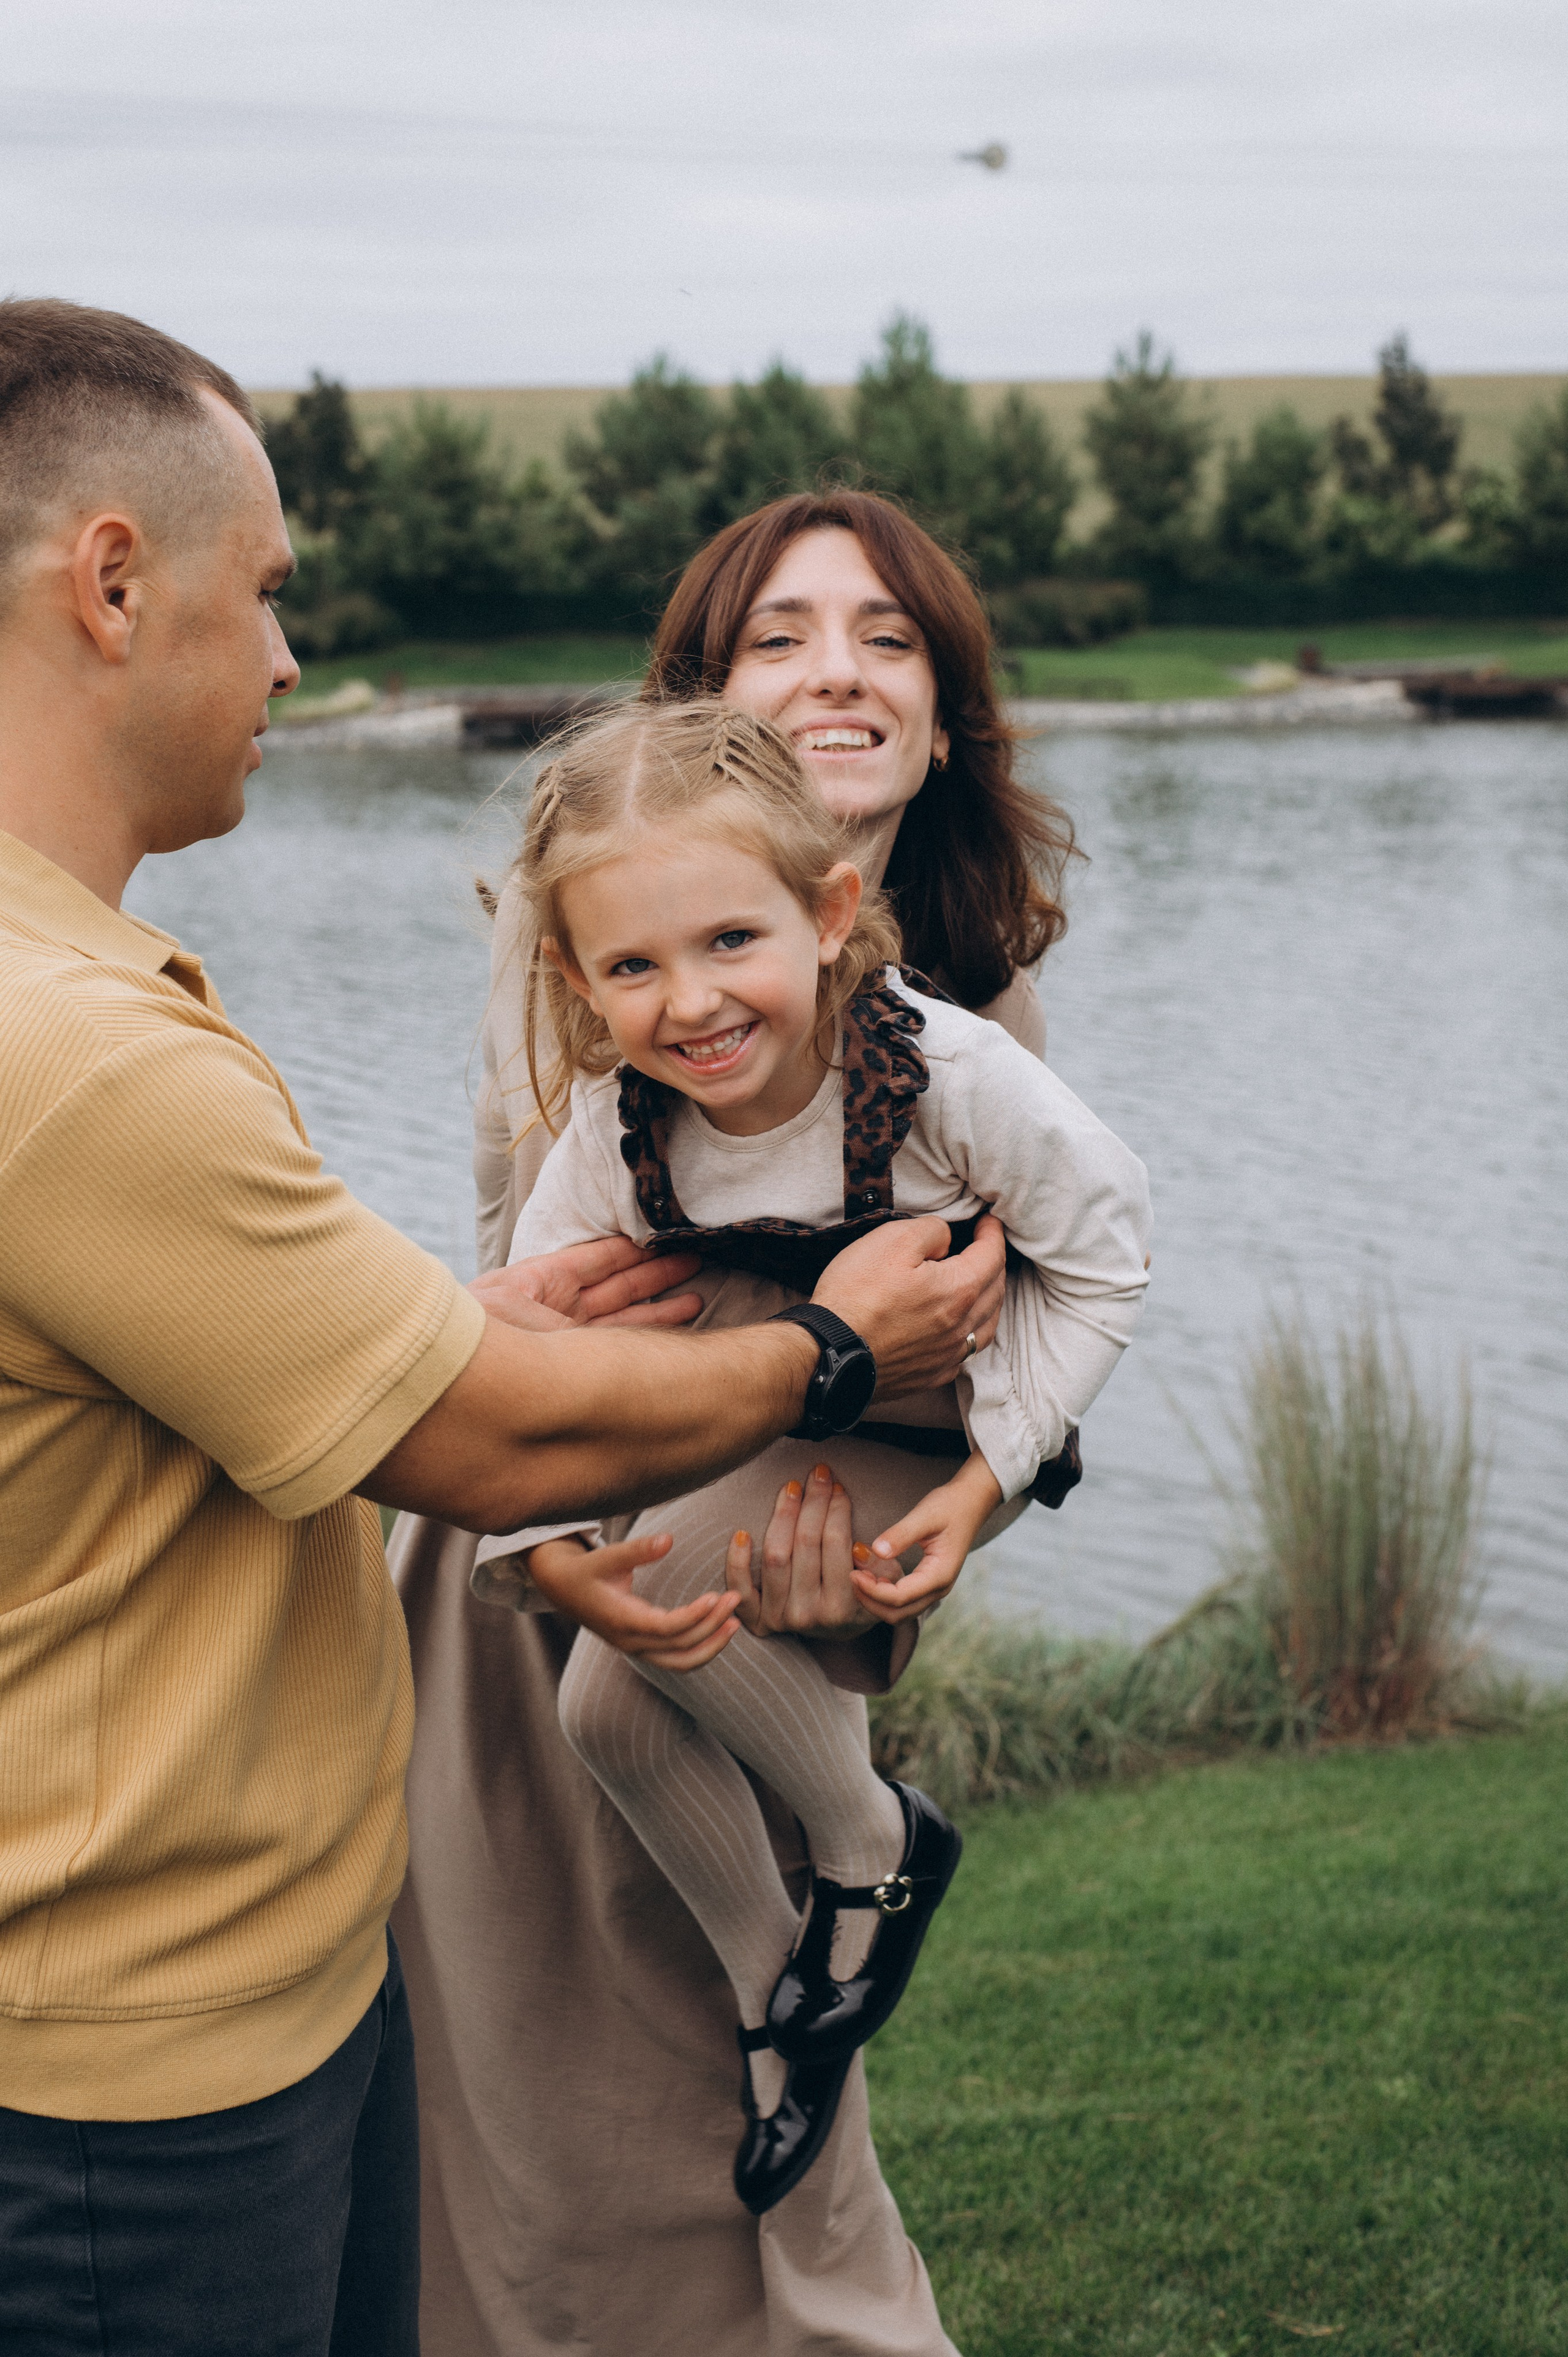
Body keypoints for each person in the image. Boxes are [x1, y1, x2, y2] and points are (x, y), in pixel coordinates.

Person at [0, 303, 1003, 2357]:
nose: (292, 658)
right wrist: (824, 1353)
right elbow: (482, 1437)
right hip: (144, 2029)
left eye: (891, 638)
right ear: (114, 581)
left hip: (256, 1967)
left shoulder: (91, 998)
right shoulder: (81, 1047)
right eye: (269, 593)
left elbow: (250, 1354)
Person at [391, 490, 1105, 2356]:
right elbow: (530, 1309)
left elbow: (1015, 1339)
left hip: (765, 1592)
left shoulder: (980, 1002)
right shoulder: (593, 978)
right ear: (700, 703)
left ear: (947, 719)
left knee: (765, 2053)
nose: (840, 674)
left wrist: (891, 1563)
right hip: (553, 1554)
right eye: (781, 636)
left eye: (890, 640)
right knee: (565, 2072)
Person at [486, 697, 1151, 2215]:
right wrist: (546, 1560)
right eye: (632, 965)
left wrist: (985, 1481)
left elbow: (1105, 1253)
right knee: (608, 1707)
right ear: (573, 977)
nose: (691, 1002)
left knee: (700, 1568)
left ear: (826, 907)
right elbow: (535, 1364)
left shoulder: (943, 1073)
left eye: (730, 940)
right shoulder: (614, 1127)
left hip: (942, 1428)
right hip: (789, 1420)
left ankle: (865, 1840)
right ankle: (778, 2008)